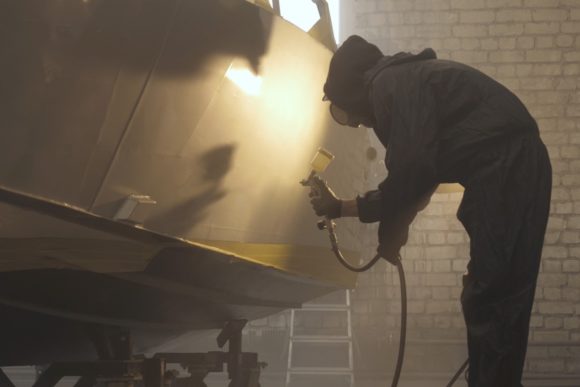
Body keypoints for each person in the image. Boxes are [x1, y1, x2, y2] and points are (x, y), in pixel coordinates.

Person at [310, 35, 552, 387]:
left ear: (352, 88)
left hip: (505, 166)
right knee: (498, 295)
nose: (354, 122)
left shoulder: (390, 85)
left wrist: (389, 234)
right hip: (510, 166)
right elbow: (419, 175)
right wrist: (346, 209)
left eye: (342, 112)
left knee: (492, 295)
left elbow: (413, 169)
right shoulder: (405, 80)